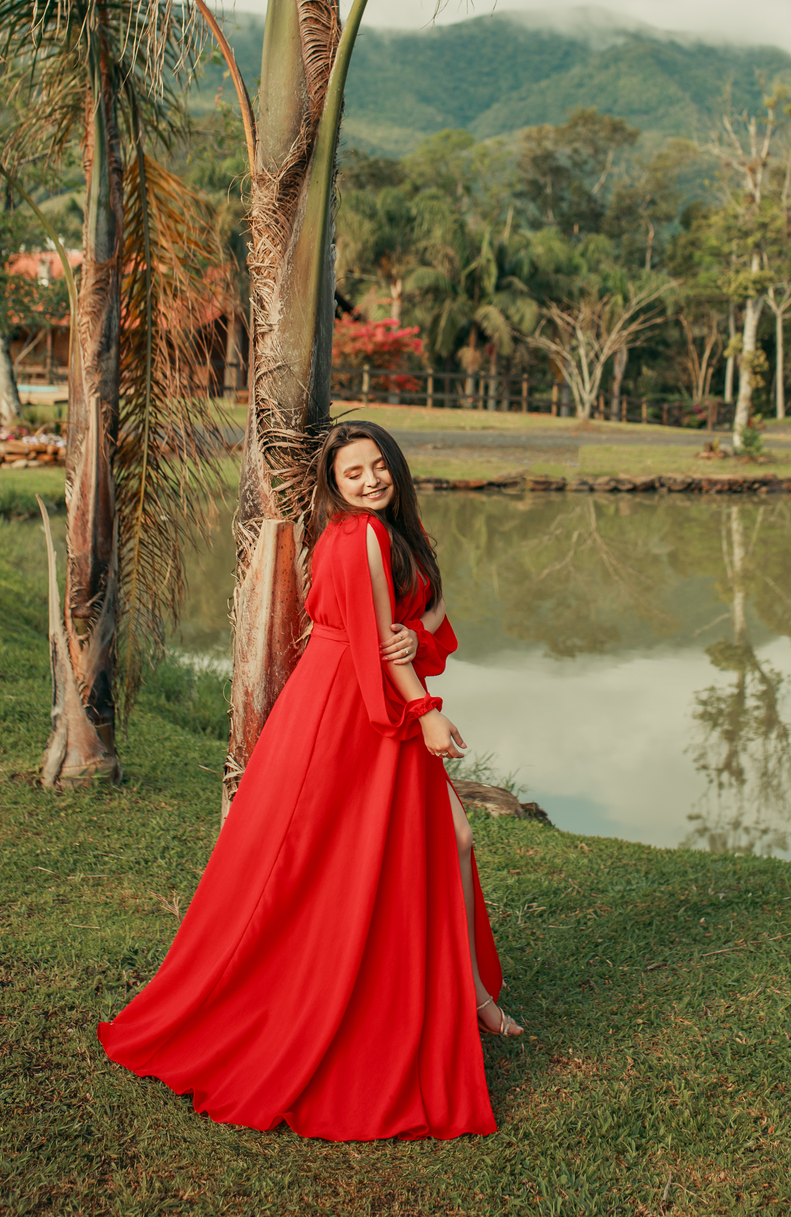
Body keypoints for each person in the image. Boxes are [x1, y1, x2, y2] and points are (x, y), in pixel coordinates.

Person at [98, 419, 520, 1140]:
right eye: (354, 474)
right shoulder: (358, 537)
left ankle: (470, 992)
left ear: (396, 466)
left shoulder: (399, 533)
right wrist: (425, 713)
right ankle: (400, 992)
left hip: (359, 690)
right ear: (334, 485)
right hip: (349, 705)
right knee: (352, 854)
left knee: (448, 836)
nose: (371, 481)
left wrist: (414, 639)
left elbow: (423, 622)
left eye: (379, 466)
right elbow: (373, 645)